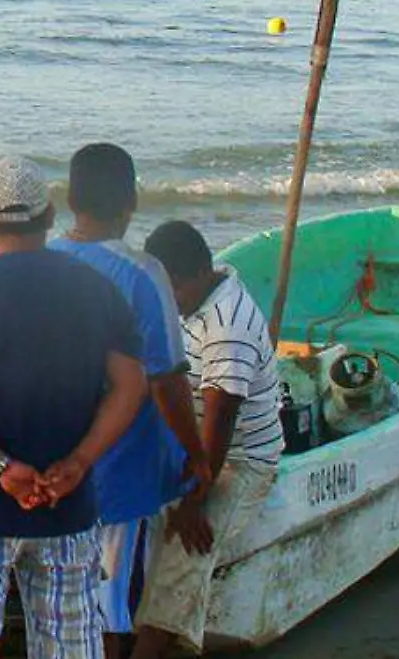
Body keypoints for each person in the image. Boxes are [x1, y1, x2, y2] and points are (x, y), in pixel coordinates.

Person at [0, 155, 147, 659]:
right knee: (67, 643)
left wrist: (3, 469)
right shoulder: (97, 290)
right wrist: (80, 460)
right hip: (68, 500)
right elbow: (130, 387)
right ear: (50, 218)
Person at [48, 143, 205, 650]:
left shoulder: (41, 263)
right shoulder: (141, 273)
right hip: (122, 470)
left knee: (63, 601)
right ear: (131, 200)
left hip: (50, 464)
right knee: (113, 608)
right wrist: (196, 455)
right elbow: (167, 382)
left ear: (70, 198)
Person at [132, 221, 283, 659]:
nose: (168, 302)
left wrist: (196, 501)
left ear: (198, 275)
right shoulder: (192, 297)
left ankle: (154, 643)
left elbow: (220, 425)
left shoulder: (227, 328)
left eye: (173, 291)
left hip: (238, 458)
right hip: (189, 441)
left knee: (184, 550)